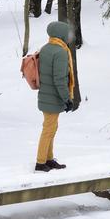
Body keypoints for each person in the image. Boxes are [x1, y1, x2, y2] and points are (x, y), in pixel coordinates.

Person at [35, 21, 75, 172]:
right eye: (67, 33)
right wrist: (67, 99)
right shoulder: (60, 52)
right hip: (53, 97)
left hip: (46, 95)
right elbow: (59, 79)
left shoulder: (46, 48)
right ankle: (40, 162)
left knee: (51, 128)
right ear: (61, 34)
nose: (69, 36)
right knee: (48, 129)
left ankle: (48, 159)